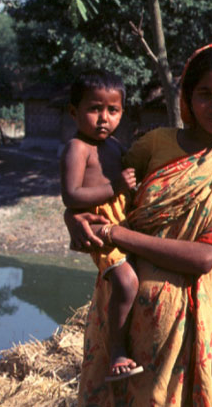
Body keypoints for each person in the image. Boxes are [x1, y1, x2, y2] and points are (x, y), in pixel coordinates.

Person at [66, 42, 212, 406]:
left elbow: (205, 257)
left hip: (182, 324)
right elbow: (103, 190)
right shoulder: (156, 143)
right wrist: (73, 217)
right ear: (187, 96)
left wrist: (116, 234)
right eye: (204, 94)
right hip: (116, 321)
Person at [60, 69, 142, 381]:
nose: (103, 118)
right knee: (126, 283)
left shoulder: (116, 147)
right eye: (94, 109)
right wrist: (115, 189)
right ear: (74, 111)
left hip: (125, 222)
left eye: (113, 110)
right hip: (99, 226)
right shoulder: (77, 148)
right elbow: (71, 195)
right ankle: (117, 349)